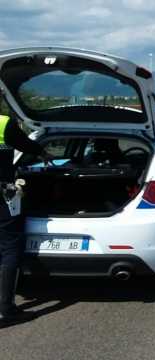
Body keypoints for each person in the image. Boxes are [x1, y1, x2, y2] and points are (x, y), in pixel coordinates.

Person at [0, 113, 50, 325]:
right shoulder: (4, 122)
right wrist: (43, 153)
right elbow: (27, 145)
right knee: (10, 247)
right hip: (3, 194)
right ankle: (6, 311)